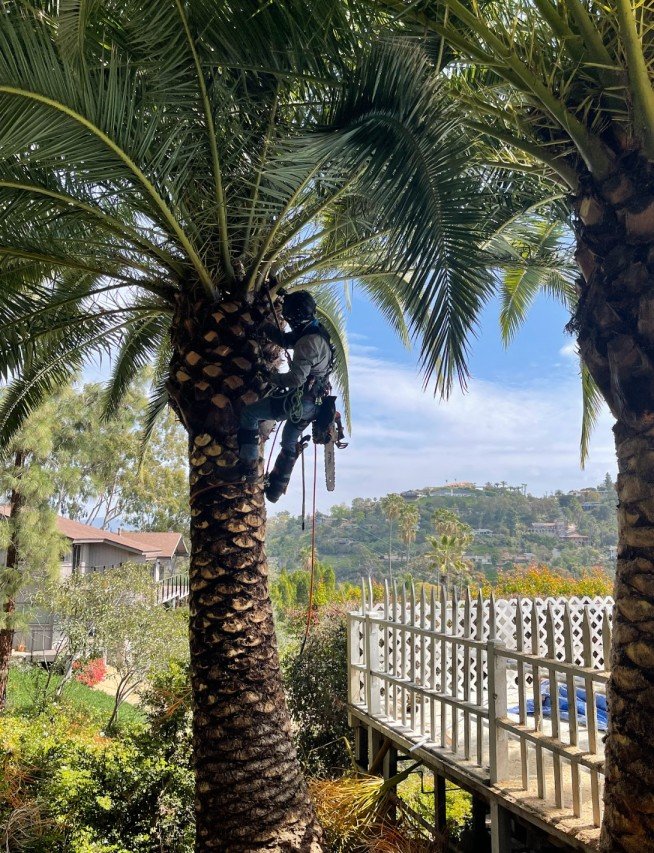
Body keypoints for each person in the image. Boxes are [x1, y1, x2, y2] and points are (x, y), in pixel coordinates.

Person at [237, 290, 334, 502]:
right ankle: (274, 490)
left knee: (249, 415)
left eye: (288, 318)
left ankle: (249, 470)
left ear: (294, 317)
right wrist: (263, 325)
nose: (287, 321)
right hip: (314, 405)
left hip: (299, 403)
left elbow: (295, 380)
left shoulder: (308, 343)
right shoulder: (316, 331)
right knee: (289, 441)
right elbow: (285, 340)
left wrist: (270, 376)